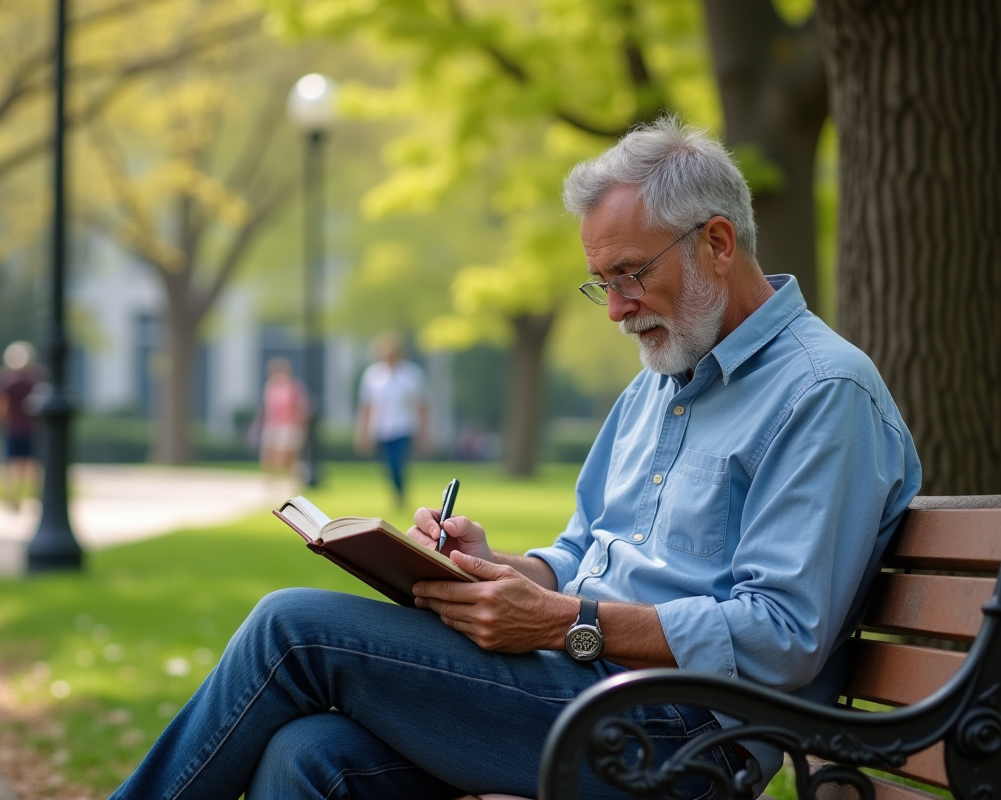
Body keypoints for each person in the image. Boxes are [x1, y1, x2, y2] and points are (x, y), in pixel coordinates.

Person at [107, 117, 921, 800]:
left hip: (679, 740)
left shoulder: (823, 394)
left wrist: (569, 624)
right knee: (311, 755)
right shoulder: (661, 376)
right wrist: (495, 567)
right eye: (598, 282)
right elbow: (580, 554)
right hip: (584, 689)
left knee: (291, 629)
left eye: (629, 276)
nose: (614, 310)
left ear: (715, 242)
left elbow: (782, 636)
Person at [354, 332, 430, 508]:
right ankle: (397, 493)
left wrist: (424, 432)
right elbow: (367, 406)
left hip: (404, 427)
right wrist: (363, 433)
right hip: (381, 428)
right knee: (388, 465)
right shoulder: (372, 375)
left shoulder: (412, 375)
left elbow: (422, 405)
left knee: (397, 462)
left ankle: (401, 494)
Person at [0, 341, 46, 511]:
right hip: (24, 427)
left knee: (13, 465)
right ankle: (24, 498)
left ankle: (12, 499)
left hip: (18, 427)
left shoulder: (6, 378)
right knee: (25, 465)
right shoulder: (35, 377)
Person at [257, 356, 309, 487]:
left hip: (289, 426)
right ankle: (271, 482)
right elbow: (267, 408)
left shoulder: (294, 387)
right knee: (269, 455)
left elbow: (300, 408)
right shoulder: (270, 386)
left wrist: (300, 428)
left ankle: (295, 481)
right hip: (273, 425)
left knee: (287, 459)